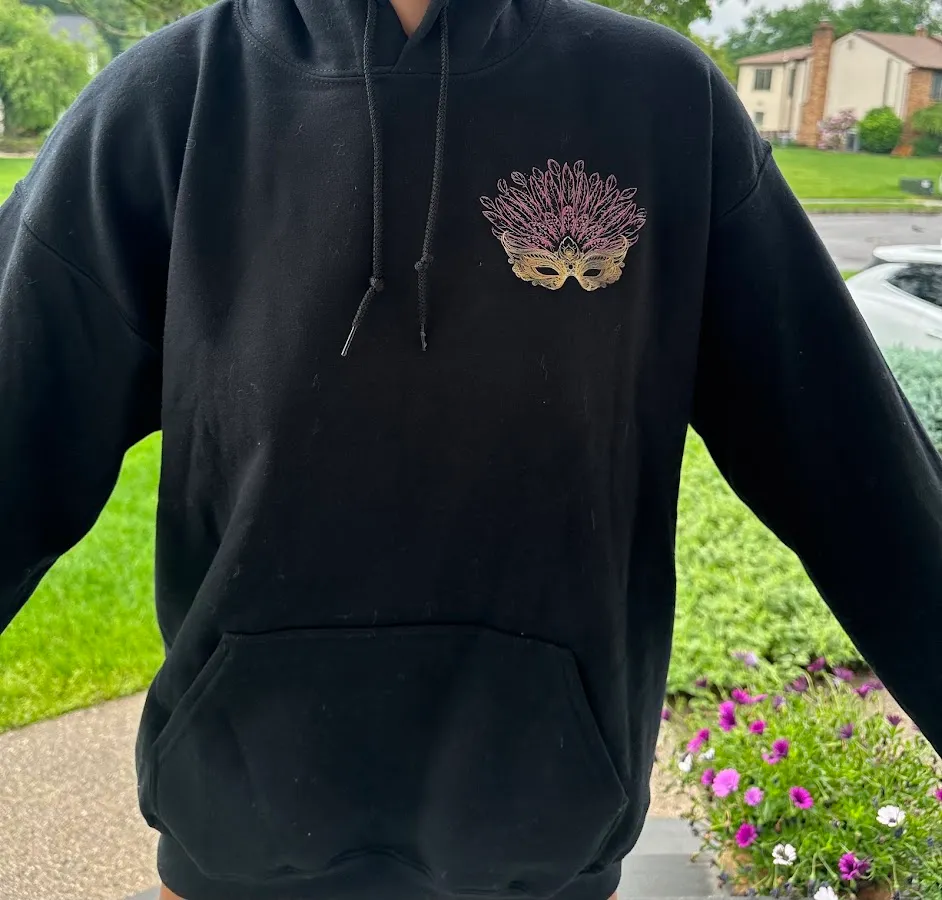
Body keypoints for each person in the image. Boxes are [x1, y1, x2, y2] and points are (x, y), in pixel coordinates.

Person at [2, 0, 941, 898]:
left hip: (549, 833)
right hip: (237, 833)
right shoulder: (166, 105)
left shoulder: (662, 103)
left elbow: (858, 476)